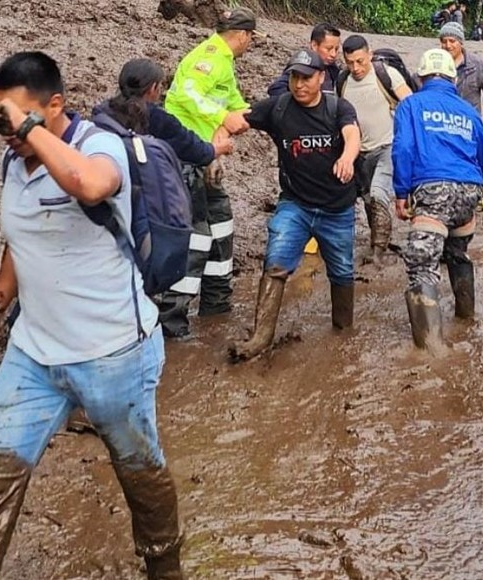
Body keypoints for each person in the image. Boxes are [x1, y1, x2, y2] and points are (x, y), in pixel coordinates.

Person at [0, 52, 182, 579]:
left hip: (114, 352)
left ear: (55, 105)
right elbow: (19, 232)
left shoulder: (98, 145)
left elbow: (90, 185)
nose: (5, 128)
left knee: (139, 472)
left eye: (18, 114)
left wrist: (28, 131)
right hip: (33, 354)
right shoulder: (14, 159)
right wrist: (1, 295)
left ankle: (165, 565)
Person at [229, 49, 361, 362]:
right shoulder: (278, 108)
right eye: (294, 77)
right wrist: (215, 147)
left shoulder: (337, 106)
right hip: (295, 205)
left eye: (306, 77)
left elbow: (352, 134)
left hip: (336, 208)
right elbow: (238, 120)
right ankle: (260, 338)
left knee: (341, 271)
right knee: (275, 262)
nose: (299, 84)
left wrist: (346, 157)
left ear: (321, 78)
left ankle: (343, 334)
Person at [159, 7, 259, 340]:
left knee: (221, 224)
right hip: (185, 157)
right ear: (243, 36)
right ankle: (172, 320)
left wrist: (250, 115)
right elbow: (185, 92)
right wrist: (221, 116)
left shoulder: (226, 63)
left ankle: (216, 306)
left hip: (209, 158)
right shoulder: (209, 56)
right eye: (251, 40)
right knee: (196, 235)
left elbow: (234, 102)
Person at [392, 49, 483, 351]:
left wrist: (401, 192)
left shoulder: (411, 105)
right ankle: (466, 319)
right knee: (458, 253)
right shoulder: (467, 111)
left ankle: (432, 351)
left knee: (422, 264)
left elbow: (403, 149)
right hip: (469, 192)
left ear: (421, 77)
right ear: (453, 78)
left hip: (433, 189)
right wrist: (476, 179)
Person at [339, 35, 412, 264]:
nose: (356, 68)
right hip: (359, 152)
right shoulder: (342, 81)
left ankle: (378, 253)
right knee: (368, 198)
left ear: (369, 54)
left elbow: (411, 105)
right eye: (350, 62)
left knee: (379, 193)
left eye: (360, 61)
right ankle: (378, 238)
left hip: (388, 146)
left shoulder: (386, 74)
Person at [98, 58, 232, 163]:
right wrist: (215, 149)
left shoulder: (104, 110)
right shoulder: (159, 118)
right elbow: (190, 147)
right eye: (160, 85)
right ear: (152, 88)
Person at [267, 22, 342, 97]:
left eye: (336, 49)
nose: (333, 54)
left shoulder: (333, 69)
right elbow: (276, 89)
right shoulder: (301, 66)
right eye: (328, 49)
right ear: (314, 45)